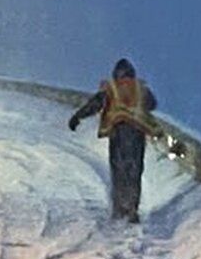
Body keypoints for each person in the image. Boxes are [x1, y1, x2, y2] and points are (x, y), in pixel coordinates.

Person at [68, 58, 158, 222]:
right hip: (137, 133)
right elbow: (152, 105)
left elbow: (94, 104)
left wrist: (77, 117)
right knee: (134, 170)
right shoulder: (141, 88)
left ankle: (119, 208)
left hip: (118, 133)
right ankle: (132, 208)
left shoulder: (111, 87)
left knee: (119, 169)